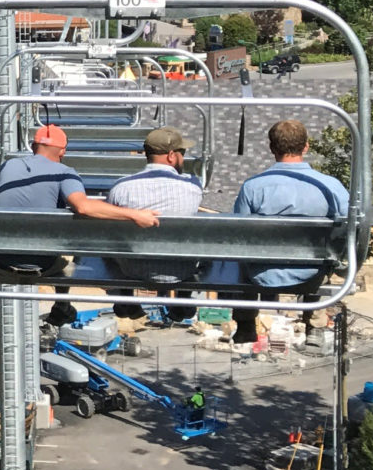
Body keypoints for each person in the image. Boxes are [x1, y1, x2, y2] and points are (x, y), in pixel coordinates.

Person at [0, 123, 159, 326]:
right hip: (45, 265)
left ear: (34, 146)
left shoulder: (8, 166)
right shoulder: (64, 172)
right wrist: (134, 215)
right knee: (77, 233)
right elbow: (83, 207)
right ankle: (63, 301)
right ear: (62, 151)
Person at [230, 119, 349, 343]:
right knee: (325, 252)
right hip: (311, 274)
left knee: (241, 256)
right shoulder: (330, 187)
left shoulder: (253, 187)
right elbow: (348, 225)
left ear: (272, 148)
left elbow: (239, 231)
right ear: (306, 146)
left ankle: (245, 324)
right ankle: (315, 323)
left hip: (261, 275)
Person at [105, 126, 205, 318]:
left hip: (131, 268)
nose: (183, 158)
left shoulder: (121, 187)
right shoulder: (193, 186)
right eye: (182, 153)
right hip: (182, 269)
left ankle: (125, 298)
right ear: (171, 156)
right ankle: (183, 300)